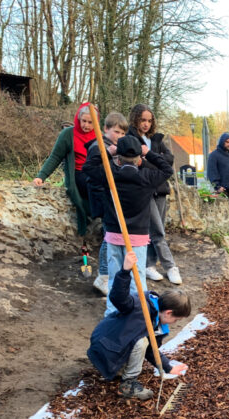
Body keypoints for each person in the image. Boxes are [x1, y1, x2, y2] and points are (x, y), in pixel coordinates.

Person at [82, 135, 173, 317]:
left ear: (118, 158)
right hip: (138, 238)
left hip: (114, 235)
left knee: (116, 276)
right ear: (140, 159)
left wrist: (107, 152)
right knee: (136, 276)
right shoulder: (147, 177)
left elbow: (88, 167)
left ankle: (112, 313)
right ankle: (138, 313)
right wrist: (150, 153)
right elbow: (167, 169)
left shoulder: (110, 175)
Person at [87, 251, 190, 400]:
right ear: (168, 313)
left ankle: (121, 369)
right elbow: (118, 297)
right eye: (176, 319)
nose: (175, 323)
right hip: (105, 347)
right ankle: (128, 385)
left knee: (144, 343)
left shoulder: (158, 323)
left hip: (115, 347)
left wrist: (168, 367)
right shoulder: (139, 305)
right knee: (141, 341)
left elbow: (151, 351)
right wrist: (125, 271)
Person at [127, 104, 182, 285]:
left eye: (149, 120)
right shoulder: (131, 138)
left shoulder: (156, 139)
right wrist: (156, 161)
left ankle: (150, 265)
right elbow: (138, 163)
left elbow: (169, 161)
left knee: (156, 230)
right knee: (157, 230)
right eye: (143, 120)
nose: (146, 124)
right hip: (144, 190)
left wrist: (149, 157)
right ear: (135, 119)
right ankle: (170, 266)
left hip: (160, 189)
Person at [33, 103, 96, 236]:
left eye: (90, 122)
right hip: (78, 174)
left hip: (95, 173)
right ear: (78, 119)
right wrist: (41, 176)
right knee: (91, 186)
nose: (86, 125)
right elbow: (55, 156)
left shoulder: (99, 137)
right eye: (84, 121)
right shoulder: (68, 134)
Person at [84, 112, 128, 296]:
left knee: (110, 236)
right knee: (108, 237)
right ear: (106, 129)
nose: (120, 136)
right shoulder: (99, 148)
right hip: (102, 198)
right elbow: (95, 173)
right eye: (116, 132)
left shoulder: (112, 147)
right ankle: (103, 276)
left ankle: (109, 274)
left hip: (110, 197)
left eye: (123, 133)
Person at [207, 133, 229, 211]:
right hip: (222, 190)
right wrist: (217, 186)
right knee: (223, 212)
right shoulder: (213, 155)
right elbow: (211, 172)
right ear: (222, 142)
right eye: (227, 142)